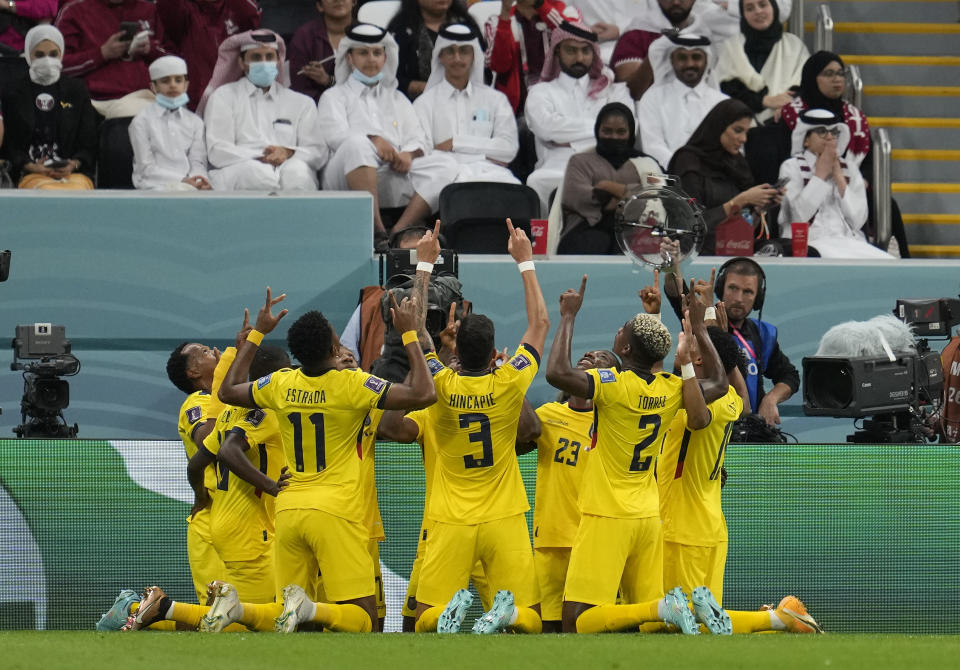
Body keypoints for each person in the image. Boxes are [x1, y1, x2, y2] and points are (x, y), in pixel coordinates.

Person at [213, 232, 439, 633]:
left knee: (292, 620)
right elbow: (423, 392)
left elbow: (228, 391)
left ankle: (242, 610)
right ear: (336, 346)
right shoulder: (353, 386)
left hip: (290, 508)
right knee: (364, 620)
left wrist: (256, 333)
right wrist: (407, 333)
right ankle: (311, 610)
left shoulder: (280, 384)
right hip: (338, 510)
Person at [544, 274, 729, 634]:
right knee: (647, 626)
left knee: (576, 621)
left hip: (605, 514)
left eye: (621, 333)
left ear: (625, 350)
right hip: (647, 517)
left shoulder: (612, 385)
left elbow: (556, 373)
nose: (617, 332)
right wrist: (701, 334)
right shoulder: (671, 387)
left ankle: (664, 607)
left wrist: (568, 316)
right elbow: (720, 383)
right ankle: (663, 608)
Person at [411, 220, 549, 635]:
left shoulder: (441, 382)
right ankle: (504, 615)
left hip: (451, 516)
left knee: (425, 620)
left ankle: (449, 618)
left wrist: (423, 265)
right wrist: (525, 261)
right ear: (494, 353)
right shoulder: (509, 380)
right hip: (504, 514)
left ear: (454, 347)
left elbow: (415, 330)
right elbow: (540, 324)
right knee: (531, 619)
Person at [318, 24, 457, 244]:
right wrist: (374, 140)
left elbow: (418, 137)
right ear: (349, 58)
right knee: (357, 145)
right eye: (363, 53)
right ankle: (377, 231)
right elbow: (335, 137)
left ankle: (398, 232)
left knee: (446, 164)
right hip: (347, 174)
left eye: (377, 53)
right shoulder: (334, 96)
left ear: (385, 57)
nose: (371, 59)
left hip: (392, 169)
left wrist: (408, 156)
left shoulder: (398, 99)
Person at [521, 348, 621, 633]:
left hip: (597, 541)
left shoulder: (618, 422)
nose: (591, 354)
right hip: (551, 539)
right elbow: (518, 440)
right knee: (549, 628)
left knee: (590, 626)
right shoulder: (549, 415)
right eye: (590, 353)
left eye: (603, 357)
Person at [663, 256, 800, 427]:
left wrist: (771, 399)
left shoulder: (763, 334)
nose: (738, 298)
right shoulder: (701, 323)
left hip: (747, 430)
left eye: (748, 291)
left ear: (758, 298)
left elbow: (790, 376)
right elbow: (677, 294)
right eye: (733, 288)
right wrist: (670, 264)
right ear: (720, 289)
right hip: (707, 425)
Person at [523, 19, 632, 215]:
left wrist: (566, 139)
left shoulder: (615, 91)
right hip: (555, 168)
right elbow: (546, 128)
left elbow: (630, 128)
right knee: (537, 181)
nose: (579, 57)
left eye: (585, 51)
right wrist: (602, 131)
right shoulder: (540, 91)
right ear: (557, 52)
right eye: (571, 50)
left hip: (608, 166)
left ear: (594, 53)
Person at [202, 30, 328, 192]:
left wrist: (288, 152)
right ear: (241, 63)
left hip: (287, 165)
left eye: (269, 57)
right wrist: (260, 157)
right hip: (240, 168)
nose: (263, 62)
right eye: (256, 58)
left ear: (278, 61)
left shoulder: (302, 103)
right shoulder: (223, 97)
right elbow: (217, 151)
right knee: (257, 175)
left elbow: (318, 151)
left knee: (297, 175)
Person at [667, 99, 781, 254]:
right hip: (695, 251)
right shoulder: (688, 161)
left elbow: (743, 225)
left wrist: (758, 208)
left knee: (781, 248)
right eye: (738, 130)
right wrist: (739, 202)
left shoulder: (737, 163)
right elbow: (689, 225)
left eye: (746, 132)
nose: (744, 139)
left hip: (734, 246)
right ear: (718, 127)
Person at [778, 108, 893, 259]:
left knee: (888, 262)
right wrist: (820, 175)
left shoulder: (849, 168)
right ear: (805, 140)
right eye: (821, 132)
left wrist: (839, 178)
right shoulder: (791, 167)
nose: (830, 137)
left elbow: (858, 220)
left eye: (834, 132)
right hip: (811, 243)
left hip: (849, 242)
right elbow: (799, 217)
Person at [413, 23, 519, 186]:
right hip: (445, 178)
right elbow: (425, 155)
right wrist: (484, 154)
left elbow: (508, 148)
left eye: (464, 51)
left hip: (493, 175)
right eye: (450, 51)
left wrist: (455, 143)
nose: (457, 58)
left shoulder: (495, 99)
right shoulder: (424, 104)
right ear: (440, 56)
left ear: (474, 55)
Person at [0, 24, 97, 189]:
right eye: (39, 55)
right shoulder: (13, 92)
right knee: (48, 191)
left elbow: (88, 142)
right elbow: (10, 146)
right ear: (29, 55)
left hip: (73, 174)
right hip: (30, 173)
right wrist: (31, 166)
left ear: (61, 54)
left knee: (75, 193)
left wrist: (73, 164)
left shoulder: (77, 91)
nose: (47, 60)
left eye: (53, 54)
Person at [557, 102, 661, 254]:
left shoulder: (647, 164)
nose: (614, 137)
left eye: (621, 132)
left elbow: (655, 198)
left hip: (637, 231)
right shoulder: (580, 161)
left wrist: (607, 187)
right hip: (586, 230)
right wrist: (629, 195)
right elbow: (576, 196)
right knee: (596, 241)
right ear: (597, 130)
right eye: (607, 131)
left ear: (630, 133)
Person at [56, 0, 167, 116]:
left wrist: (150, 50)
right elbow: (58, 66)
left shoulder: (148, 9)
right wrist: (102, 54)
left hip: (148, 95)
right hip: (98, 101)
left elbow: (173, 58)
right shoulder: (74, 11)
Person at [636, 32, 728, 170]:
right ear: (672, 61)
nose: (689, 64)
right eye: (682, 58)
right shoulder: (652, 98)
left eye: (696, 57)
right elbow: (653, 146)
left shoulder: (723, 102)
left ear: (706, 61)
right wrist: (683, 168)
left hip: (714, 177)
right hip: (666, 176)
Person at [610, 0, 737, 99]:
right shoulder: (636, 34)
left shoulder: (707, 32)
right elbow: (631, 92)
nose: (676, 2)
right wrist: (657, 52)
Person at [156, 0, 261, 112]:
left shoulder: (236, 8)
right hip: (199, 102)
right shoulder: (184, 10)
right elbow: (166, 10)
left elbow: (251, 17)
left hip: (239, 100)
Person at [714, 0, 808, 125]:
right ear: (743, 14)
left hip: (783, 126)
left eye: (763, 5)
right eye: (749, 8)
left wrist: (786, 108)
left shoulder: (794, 46)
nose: (757, 11)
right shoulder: (732, 47)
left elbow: (805, 86)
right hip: (740, 130)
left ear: (774, 7)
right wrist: (765, 101)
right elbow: (726, 90)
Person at [129, 55, 211, 190]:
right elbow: (146, 168)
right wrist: (183, 180)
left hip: (189, 184)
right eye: (165, 81)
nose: (173, 85)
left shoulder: (195, 122)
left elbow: (197, 161)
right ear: (153, 87)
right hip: (153, 185)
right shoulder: (141, 122)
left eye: (178, 80)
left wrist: (199, 179)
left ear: (186, 86)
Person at [483, 0, 578, 114]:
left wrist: (540, 4)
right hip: (519, 110)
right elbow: (499, 66)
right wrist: (505, 14)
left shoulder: (566, 12)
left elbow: (577, 39)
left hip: (562, 103)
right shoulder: (496, 22)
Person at [780, 51, 869, 169]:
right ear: (812, 77)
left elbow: (868, 164)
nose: (837, 79)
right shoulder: (792, 113)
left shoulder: (855, 117)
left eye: (840, 73)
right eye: (829, 73)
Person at [387, 0, 481, 100]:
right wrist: (429, 88)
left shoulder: (466, 26)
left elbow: (483, 69)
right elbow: (390, 77)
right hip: (416, 103)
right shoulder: (400, 30)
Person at [288, 0, 355, 102]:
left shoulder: (368, 35)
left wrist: (328, 81)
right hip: (317, 110)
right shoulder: (304, 37)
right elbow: (300, 90)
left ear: (354, 2)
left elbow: (373, 84)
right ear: (320, 6)